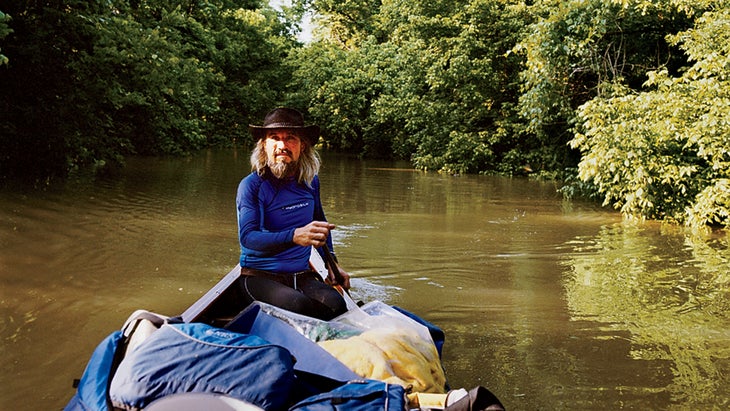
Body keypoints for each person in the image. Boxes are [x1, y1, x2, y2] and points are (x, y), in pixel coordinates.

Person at [236, 107, 350, 320]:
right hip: (259, 277)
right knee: (299, 307)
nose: (282, 145)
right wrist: (295, 236)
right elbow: (249, 239)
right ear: (264, 145)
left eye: (290, 138)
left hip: (301, 276)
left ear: (302, 145)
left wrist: (332, 263)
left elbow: (320, 224)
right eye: (274, 138)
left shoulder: (310, 181)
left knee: (336, 305)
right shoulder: (251, 186)